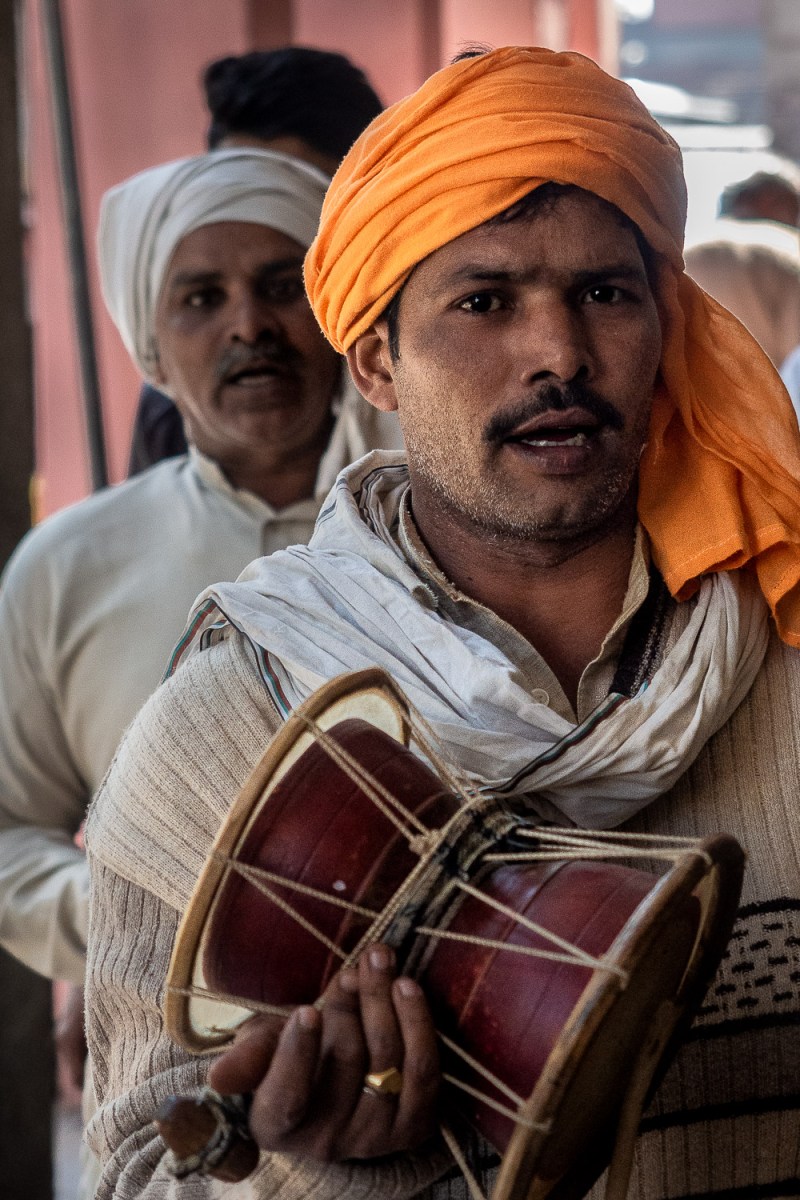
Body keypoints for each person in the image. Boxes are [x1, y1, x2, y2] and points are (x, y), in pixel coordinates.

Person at [85, 47, 800, 1199]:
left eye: (603, 294)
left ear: (663, 324)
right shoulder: (217, 741)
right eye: (483, 301)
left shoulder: (784, 654)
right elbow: (132, 1169)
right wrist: (312, 1171)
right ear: (373, 359)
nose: (557, 352)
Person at [0, 145, 399, 1187]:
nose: (249, 326)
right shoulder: (69, 569)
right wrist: (133, 926)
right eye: (199, 298)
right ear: (148, 347)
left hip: (432, 1056)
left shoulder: (440, 530)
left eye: (280, 286)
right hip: (174, 1085)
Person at [128, 46, 383, 475]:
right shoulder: (180, 399)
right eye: (243, 183)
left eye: (296, 193)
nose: (249, 326)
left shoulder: (426, 356)